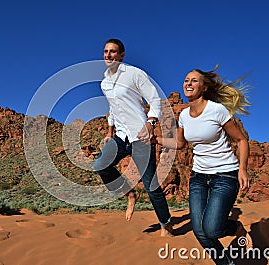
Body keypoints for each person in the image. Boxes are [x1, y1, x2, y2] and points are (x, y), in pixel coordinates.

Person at [147, 66, 252, 264]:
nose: (188, 83)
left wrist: (243, 169)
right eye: (186, 80)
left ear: (204, 88)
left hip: (225, 175)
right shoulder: (184, 116)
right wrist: (157, 140)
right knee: (200, 231)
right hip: (198, 177)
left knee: (212, 229)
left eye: (194, 80)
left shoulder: (217, 110)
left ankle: (236, 228)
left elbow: (241, 140)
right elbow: (180, 144)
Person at [93, 38, 173, 237]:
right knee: (100, 165)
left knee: (151, 186)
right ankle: (130, 193)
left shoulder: (135, 74)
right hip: (121, 137)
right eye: (105, 51)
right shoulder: (105, 83)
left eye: (113, 51)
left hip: (141, 137)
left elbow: (155, 100)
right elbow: (113, 108)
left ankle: (166, 224)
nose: (108, 55)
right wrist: (109, 131)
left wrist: (150, 124)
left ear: (121, 55)